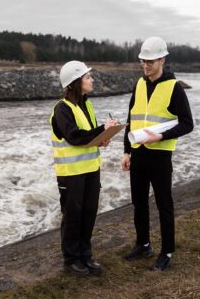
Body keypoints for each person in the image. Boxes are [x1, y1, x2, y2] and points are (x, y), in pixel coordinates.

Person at [121, 37, 194, 271]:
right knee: (139, 203)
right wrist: (126, 151)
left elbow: (187, 124)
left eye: (150, 61)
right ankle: (143, 244)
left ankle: (167, 252)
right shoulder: (139, 84)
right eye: (143, 61)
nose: (146, 66)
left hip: (160, 157)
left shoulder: (174, 88)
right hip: (138, 154)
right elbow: (130, 120)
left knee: (164, 205)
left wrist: (161, 136)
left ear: (162, 59)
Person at [50, 60, 118, 276]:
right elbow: (74, 136)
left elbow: (88, 136)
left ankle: (85, 255)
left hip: (90, 169)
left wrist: (102, 138)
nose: (92, 79)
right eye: (87, 77)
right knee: (73, 215)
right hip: (71, 174)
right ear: (75, 82)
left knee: (89, 213)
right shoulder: (62, 109)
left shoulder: (86, 104)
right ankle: (71, 260)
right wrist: (100, 131)